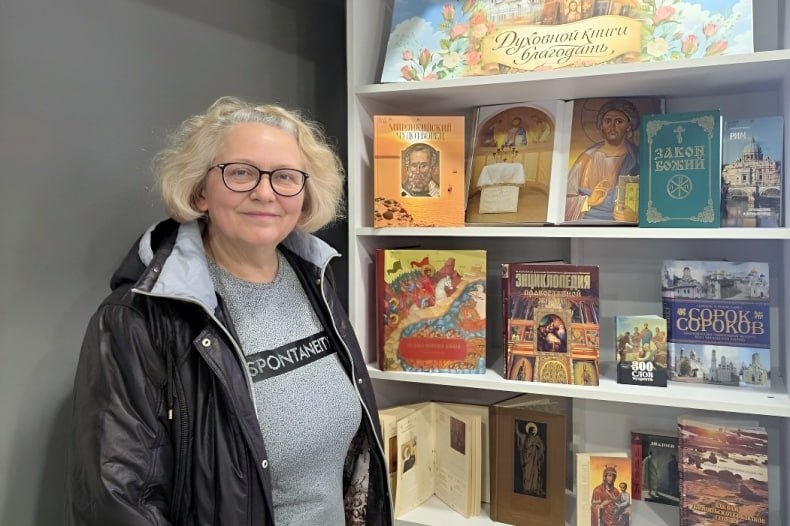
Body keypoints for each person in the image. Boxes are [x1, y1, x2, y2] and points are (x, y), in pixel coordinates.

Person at [65, 96, 393, 526]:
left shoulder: (315, 279)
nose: (265, 192)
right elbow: (118, 502)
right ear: (200, 190)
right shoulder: (137, 319)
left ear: (305, 192)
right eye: (240, 172)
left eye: (285, 176)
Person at [566, 99, 640, 221]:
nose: (612, 127)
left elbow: (652, 197)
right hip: (587, 221)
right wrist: (588, 201)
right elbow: (564, 202)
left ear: (629, 126)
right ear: (601, 125)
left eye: (619, 121)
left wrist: (635, 215)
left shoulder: (638, 159)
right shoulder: (586, 158)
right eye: (607, 121)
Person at [516, 421, 545, 496]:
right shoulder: (526, 439)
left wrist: (537, 445)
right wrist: (531, 444)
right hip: (528, 460)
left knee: (535, 473)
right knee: (527, 473)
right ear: (529, 431)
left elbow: (542, 447)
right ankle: (527, 488)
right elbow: (525, 447)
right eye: (532, 431)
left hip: (534, 460)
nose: (533, 432)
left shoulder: (537, 439)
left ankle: (534, 488)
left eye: (534, 431)